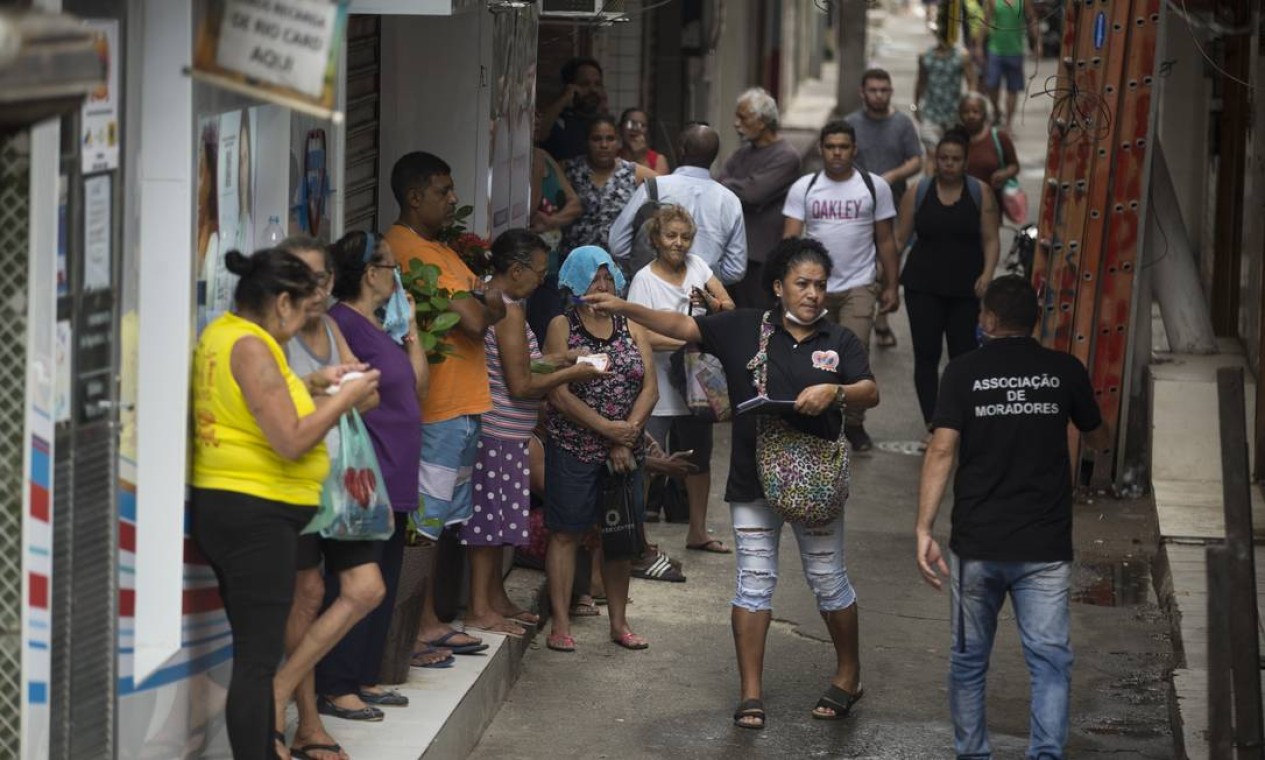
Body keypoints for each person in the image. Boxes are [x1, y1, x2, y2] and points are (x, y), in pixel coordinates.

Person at [587, 237, 880, 730]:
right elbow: (682, 325)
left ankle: (848, 675)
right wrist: (624, 307)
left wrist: (837, 391)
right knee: (754, 581)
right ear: (778, 287)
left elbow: (870, 392)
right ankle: (751, 693)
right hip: (752, 478)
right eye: (802, 284)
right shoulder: (746, 327)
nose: (812, 294)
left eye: (820, 286)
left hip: (817, 483)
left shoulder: (839, 341)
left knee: (828, 579)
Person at [190, 247, 380, 759]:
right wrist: (344, 397)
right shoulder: (252, 346)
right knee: (256, 664)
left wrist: (313, 383)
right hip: (254, 514)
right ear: (279, 303)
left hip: (243, 511)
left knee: (253, 657)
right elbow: (291, 439)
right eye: (299, 309)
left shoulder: (229, 334)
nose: (301, 324)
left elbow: (255, 408)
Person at [916, 276, 1111, 760]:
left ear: (988, 320)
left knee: (968, 662)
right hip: (1044, 549)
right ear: (1035, 319)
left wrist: (924, 528)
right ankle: (1045, 755)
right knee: (1049, 662)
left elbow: (942, 450)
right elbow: (1098, 437)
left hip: (977, 546)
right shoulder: (1065, 371)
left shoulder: (962, 373)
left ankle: (973, 753)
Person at [308, 230, 438, 724]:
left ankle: (363, 676)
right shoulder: (343, 323)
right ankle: (337, 684)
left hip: (397, 471)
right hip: (371, 473)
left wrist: (412, 333)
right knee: (356, 581)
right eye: (390, 266)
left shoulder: (379, 325)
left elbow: (417, 386)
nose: (397, 275)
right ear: (370, 273)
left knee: (382, 579)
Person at [384, 151, 506, 656]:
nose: (453, 199)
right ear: (415, 198)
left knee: (444, 520)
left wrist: (484, 300)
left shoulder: (442, 250)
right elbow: (481, 317)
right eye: (443, 191)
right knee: (426, 524)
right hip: (438, 409)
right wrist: (483, 301)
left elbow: (491, 304)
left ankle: (430, 618)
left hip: (463, 405)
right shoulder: (405, 248)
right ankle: (416, 626)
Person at [273, 237, 391, 759]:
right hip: (294, 477)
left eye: (323, 279)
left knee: (365, 590)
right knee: (306, 596)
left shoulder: (332, 325)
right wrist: (332, 389)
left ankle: (275, 695)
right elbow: (276, 401)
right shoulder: (272, 332)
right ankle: (308, 723)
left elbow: (372, 393)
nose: (319, 290)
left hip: (343, 481)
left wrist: (328, 390)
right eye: (308, 280)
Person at [460, 229, 605, 638]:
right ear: (517, 269)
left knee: (498, 524)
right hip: (500, 431)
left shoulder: (500, 303)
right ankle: (479, 609)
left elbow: (524, 366)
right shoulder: (508, 310)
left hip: (505, 431)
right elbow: (521, 385)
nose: (543, 279)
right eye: (540, 271)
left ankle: (494, 599)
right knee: (488, 528)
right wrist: (574, 372)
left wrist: (563, 357)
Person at [542, 246, 657, 654]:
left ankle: (619, 623)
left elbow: (649, 387)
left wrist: (626, 434)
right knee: (566, 533)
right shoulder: (563, 325)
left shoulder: (632, 324)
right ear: (574, 281)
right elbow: (557, 393)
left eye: (608, 277)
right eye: (594, 278)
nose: (603, 285)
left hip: (625, 448)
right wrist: (608, 431)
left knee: (620, 537)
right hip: (574, 446)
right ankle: (559, 623)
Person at [782, 121, 899, 452]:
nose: (837, 152)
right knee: (814, 357)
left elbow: (886, 240)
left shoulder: (874, 187)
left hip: (859, 285)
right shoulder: (804, 188)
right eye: (831, 146)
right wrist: (787, 289)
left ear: (854, 149)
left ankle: (856, 423)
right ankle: (815, 418)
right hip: (813, 289)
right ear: (821, 149)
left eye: (843, 147)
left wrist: (892, 284)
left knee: (855, 354)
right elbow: (790, 241)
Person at [626, 205, 735, 554]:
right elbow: (639, 334)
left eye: (685, 237)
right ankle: (637, 540)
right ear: (656, 239)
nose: (678, 243)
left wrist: (710, 301)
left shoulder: (699, 268)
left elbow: (728, 308)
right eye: (671, 236)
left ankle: (698, 532)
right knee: (646, 463)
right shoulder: (644, 280)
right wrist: (693, 338)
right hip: (655, 388)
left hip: (696, 390)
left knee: (698, 462)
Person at [894, 130, 1000, 440]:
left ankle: (961, 418)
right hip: (922, 285)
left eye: (956, 159)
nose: (949, 165)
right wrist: (886, 278)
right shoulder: (919, 191)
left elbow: (991, 239)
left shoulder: (980, 193)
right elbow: (900, 238)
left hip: (966, 288)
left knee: (963, 356)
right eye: (944, 159)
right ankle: (933, 423)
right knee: (926, 355)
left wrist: (988, 274)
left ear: (966, 162)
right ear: (935, 160)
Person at [608, 123, 747, 285]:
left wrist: (643, 267)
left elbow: (617, 246)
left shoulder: (654, 188)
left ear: (680, 150)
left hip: (652, 291)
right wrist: (704, 280)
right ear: (714, 157)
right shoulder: (730, 200)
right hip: (703, 299)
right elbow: (735, 269)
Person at [845, 68, 923, 351]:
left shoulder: (902, 124)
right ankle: (861, 316)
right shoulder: (850, 123)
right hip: (857, 206)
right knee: (863, 262)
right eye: (873, 89)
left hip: (894, 206)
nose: (879, 95)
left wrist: (891, 176)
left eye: (884, 90)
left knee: (889, 260)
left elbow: (917, 160)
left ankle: (882, 318)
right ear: (862, 93)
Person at [717, 87, 803, 310]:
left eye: (743, 117)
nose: (736, 124)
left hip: (761, 257)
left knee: (757, 319)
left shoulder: (786, 156)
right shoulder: (743, 153)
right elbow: (719, 183)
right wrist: (738, 185)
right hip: (734, 252)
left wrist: (733, 185)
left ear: (762, 121)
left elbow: (753, 194)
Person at [527, 109, 584, 346]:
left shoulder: (545, 156)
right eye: (532, 117)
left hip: (549, 265)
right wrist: (536, 166)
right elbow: (528, 211)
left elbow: (575, 204)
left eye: (539, 116)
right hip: (524, 269)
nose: (538, 121)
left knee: (550, 332)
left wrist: (552, 221)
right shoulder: (531, 160)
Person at [560, 115, 655, 256]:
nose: (604, 145)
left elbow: (667, 188)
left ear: (619, 142)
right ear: (587, 142)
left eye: (610, 139)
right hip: (575, 260)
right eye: (596, 139)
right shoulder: (569, 169)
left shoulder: (632, 172)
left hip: (618, 265)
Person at [913, 30, 974, 172]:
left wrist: (969, 104)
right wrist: (915, 106)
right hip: (931, 113)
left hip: (954, 114)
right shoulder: (926, 57)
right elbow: (921, 82)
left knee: (952, 155)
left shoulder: (961, 56)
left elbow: (971, 81)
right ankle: (929, 191)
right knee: (932, 155)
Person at [975, 0, 1038, 129]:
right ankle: (997, 111)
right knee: (991, 86)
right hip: (995, 50)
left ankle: (1008, 123)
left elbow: (1032, 20)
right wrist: (979, 45)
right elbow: (985, 21)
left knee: (1012, 89)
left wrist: (1037, 43)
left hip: (1015, 51)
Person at [540, 57, 608, 162]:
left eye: (597, 84)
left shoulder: (604, 123)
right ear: (570, 87)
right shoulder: (558, 121)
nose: (593, 90)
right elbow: (539, 134)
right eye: (585, 84)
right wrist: (564, 99)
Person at [959, 93, 1021, 198]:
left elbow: (1014, 166)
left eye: (976, 111)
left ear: (984, 114)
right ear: (960, 114)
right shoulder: (954, 139)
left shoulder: (999, 137)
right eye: (966, 112)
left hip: (992, 203)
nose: (971, 116)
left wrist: (1004, 174)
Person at [618, 107, 669, 175]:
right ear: (620, 128)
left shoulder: (658, 160)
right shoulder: (611, 156)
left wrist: (641, 158)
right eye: (630, 123)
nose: (635, 128)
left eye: (642, 125)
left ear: (648, 132)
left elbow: (656, 184)